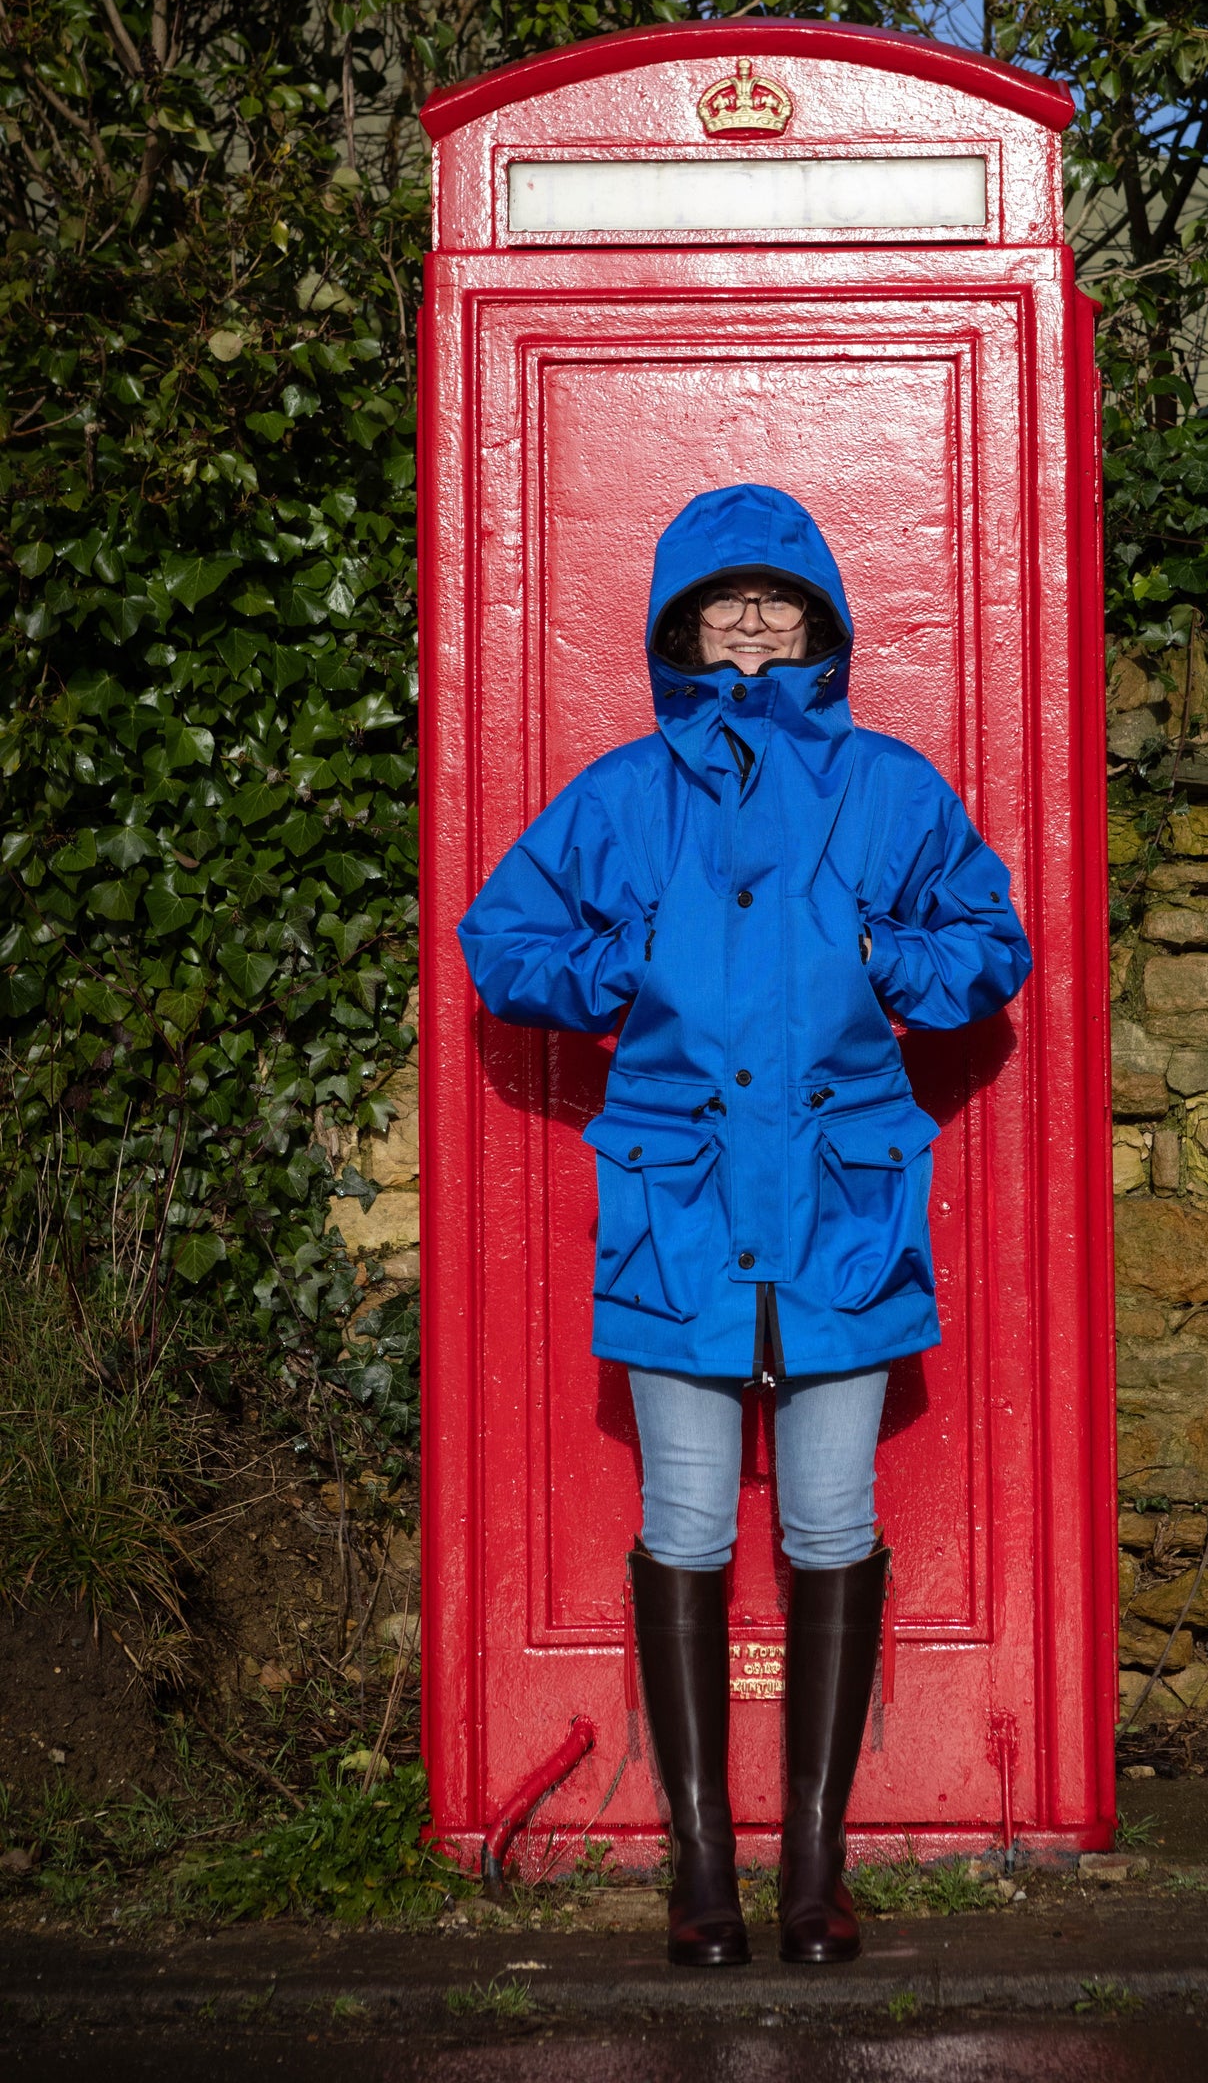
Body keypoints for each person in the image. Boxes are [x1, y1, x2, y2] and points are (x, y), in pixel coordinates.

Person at [458, 484, 1031, 1967]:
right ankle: (701, 1872)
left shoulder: (889, 788)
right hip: (679, 1207)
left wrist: (877, 953)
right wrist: (628, 963)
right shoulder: (620, 797)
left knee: (836, 1520)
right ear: (683, 625)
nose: (756, 622)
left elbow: (990, 941)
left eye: (782, 600)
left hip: (841, 1201)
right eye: (728, 601)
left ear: (823, 621)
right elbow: (502, 939)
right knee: (685, 1526)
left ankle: (818, 1872)